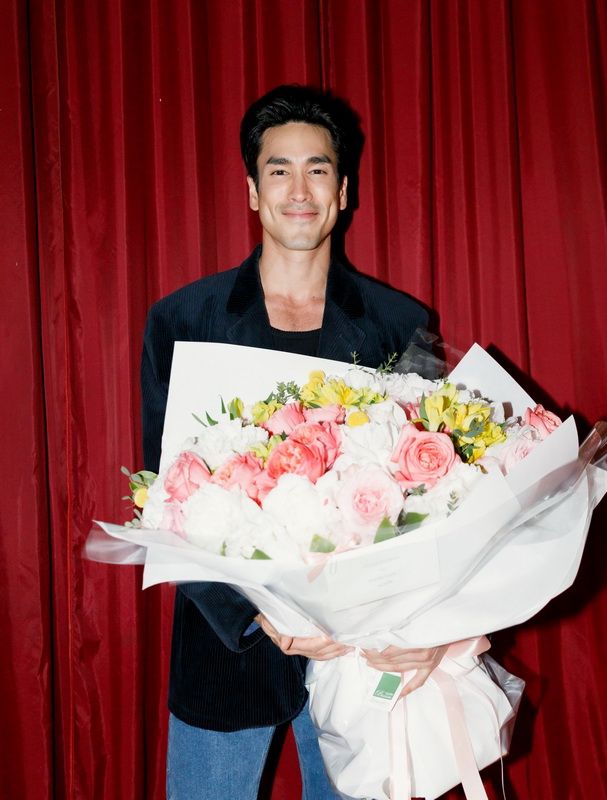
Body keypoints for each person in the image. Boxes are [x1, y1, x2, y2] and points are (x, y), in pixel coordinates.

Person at [141, 85, 447, 800]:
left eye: (318, 169)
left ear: (344, 191)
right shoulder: (182, 321)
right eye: (279, 170)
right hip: (229, 648)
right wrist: (257, 615)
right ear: (253, 191)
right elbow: (167, 497)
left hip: (362, 651)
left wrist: (429, 623)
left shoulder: (399, 322)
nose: (299, 190)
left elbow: (432, 500)